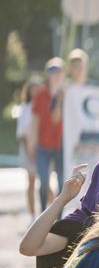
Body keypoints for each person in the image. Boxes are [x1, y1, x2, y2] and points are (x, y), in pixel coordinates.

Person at [31, 57, 65, 211]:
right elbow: (35, 121)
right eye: (52, 70)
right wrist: (32, 143)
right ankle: (42, 212)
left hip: (61, 145)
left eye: (58, 71)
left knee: (61, 181)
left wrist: (58, 98)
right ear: (48, 74)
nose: (55, 74)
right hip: (43, 145)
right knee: (44, 180)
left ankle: (58, 216)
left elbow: (57, 119)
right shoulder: (40, 94)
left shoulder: (68, 94)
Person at [15, 77, 41, 215]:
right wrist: (29, 150)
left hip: (42, 148)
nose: (36, 91)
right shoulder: (24, 108)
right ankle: (32, 215)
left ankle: (53, 213)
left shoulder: (44, 107)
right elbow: (22, 133)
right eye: (33, 88)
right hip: (28, 149)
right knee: (31, 182)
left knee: (45, 182)